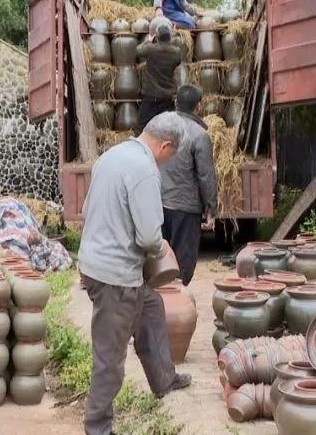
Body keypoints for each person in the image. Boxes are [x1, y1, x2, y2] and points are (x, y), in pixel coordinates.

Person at [78, 112, 193, 435]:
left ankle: (164, 378)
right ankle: (98, 427)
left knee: (152, 308)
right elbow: (147, 236)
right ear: (166, 145)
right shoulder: (144, 170)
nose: (168, 162)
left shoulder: (112, 156)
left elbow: (87, 211)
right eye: (172, 155)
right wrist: (161, 249)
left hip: (99, 264)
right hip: (114, 276)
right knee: (110, 356)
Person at [159, 84, 219, 286]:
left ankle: (161, 305)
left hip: (157, 205)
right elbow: (206, 176)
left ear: (177, 102)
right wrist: (211, 208)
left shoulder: (161, 127)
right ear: (199, 106)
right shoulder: (199, 135)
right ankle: (176, 305)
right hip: (185, 210)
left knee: (158, 263)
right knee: (182, 265)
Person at [136, 23, 186, 130]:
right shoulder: (176, 52)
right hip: (168, 96)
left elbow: (138, 51)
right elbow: (177, 62)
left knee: (142, 124)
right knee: (168, 127)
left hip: (152, 95)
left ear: (157, 36)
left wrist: (149, 40)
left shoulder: (151, 49)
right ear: (170, 37)